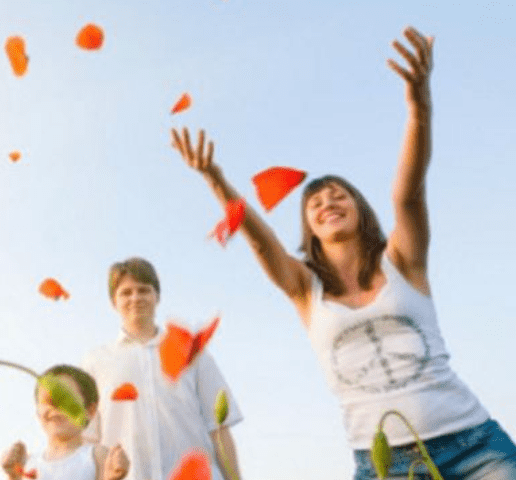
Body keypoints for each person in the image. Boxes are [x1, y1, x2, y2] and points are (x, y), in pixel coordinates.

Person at [171, 26, 516, 479]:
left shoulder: (403, 262)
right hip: (383, 466)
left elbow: (408, 194)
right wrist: (215, 179)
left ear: (360, 209)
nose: (328, 203)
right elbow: (260, 241)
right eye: (315, 203)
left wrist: (419, 107)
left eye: (339, 195)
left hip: (474, 448)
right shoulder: (304, 289)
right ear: (310, 228)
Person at [81, 257, 243, 480]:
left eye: (143, 290)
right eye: (126, 293)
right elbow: (88, 442)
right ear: (113, 302)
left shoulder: (192, 352)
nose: (135, 298)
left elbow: (219, 430)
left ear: (157, 296)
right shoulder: (94, 362)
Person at [1, 364, 129, 480]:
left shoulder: (96, 456)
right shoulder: (28, 464)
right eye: (47, 400)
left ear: (90, 410)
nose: (55, 406)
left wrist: (112, 478)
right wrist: (13, 476)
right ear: (38, 412)